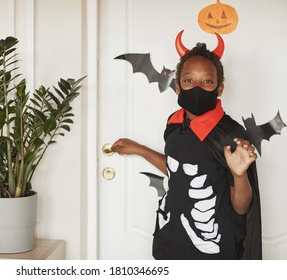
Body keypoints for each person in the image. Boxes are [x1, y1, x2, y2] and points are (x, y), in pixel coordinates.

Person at [111, 31, 262, 260]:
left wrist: (240, 175)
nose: (197, 87)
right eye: (189, 80)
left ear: (219, 89)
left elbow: (241, 208)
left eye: (207, 81)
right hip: (170, 238)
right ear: (178, 87)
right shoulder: (174, 123)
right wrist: (139, 149)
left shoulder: (230, 135)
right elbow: (177, 169)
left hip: (215, 249)